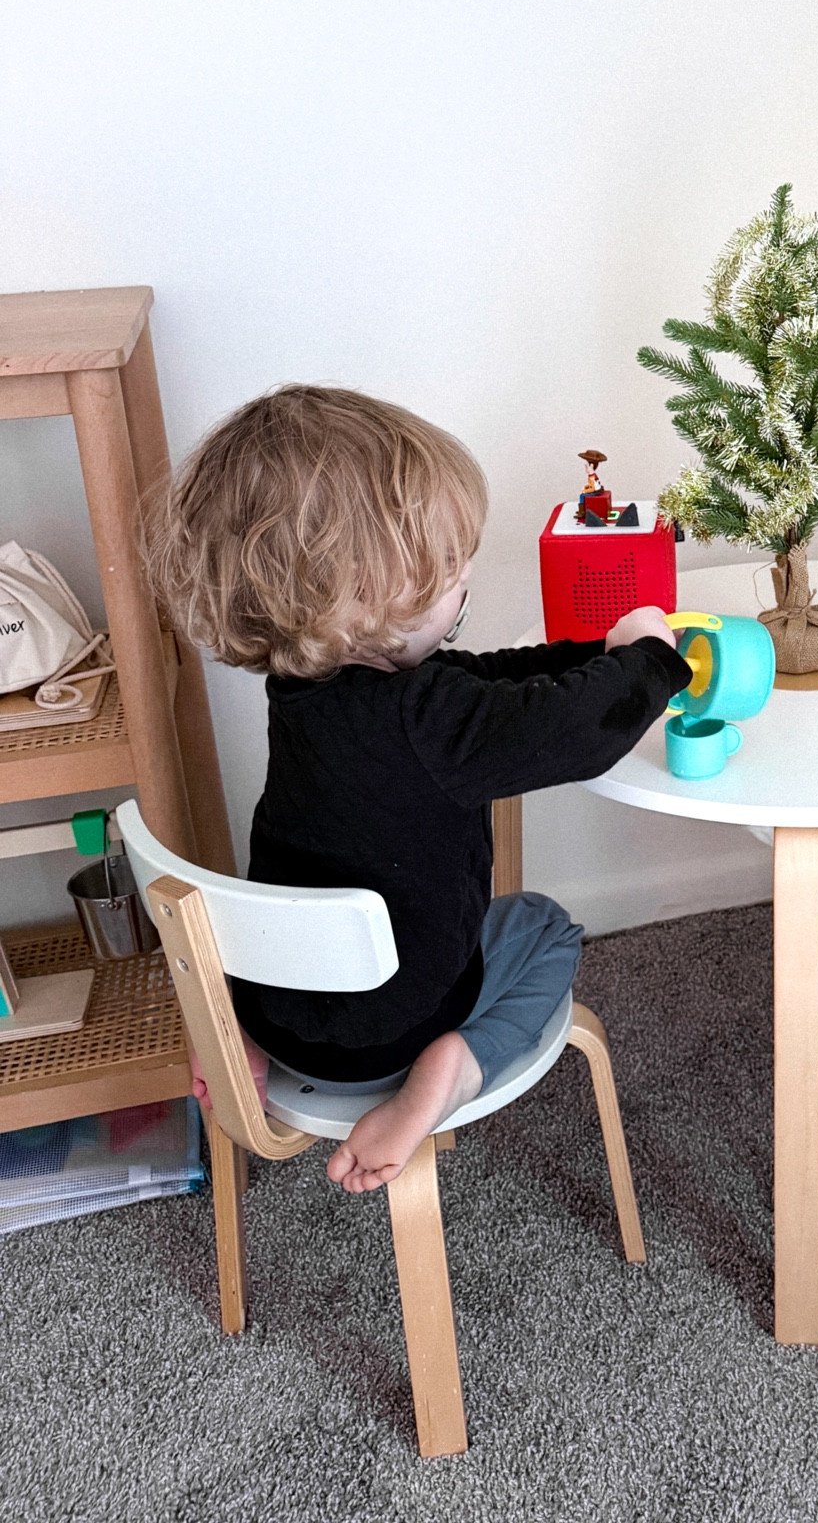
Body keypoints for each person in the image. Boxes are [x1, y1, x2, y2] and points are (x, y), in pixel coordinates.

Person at [145, 385, 688, 1192]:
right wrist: (647, 661)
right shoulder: (427, 720)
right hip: (396, 1029)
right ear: (361, 594)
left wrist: (588, 653)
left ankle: (237, 1032)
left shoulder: (304, 685)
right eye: (450, 574)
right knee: (545, 927)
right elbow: (577, 734)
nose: (464, 582)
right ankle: (452, 1069)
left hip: (277, 1011)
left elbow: (479, 684)